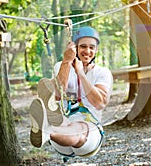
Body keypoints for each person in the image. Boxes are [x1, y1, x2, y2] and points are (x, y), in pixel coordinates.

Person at [29, 26, 113, 159]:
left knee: (78, 127)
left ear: (96, 50)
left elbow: (99, 103)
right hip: (63, 132)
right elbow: (58, 93)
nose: (87, 51)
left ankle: (47, 130)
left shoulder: (102, 72)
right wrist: (67, 61)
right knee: (63, 119)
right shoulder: (62, 65)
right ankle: (50, 117)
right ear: (75, 48)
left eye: (92, 47)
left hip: (89, 136)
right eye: (83, 46)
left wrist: (80, 73)